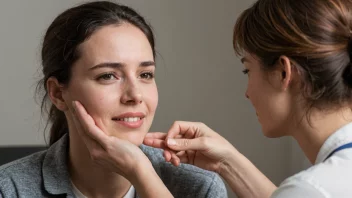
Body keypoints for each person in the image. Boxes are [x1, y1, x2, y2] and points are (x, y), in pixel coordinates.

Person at [0, 1, 227, 198]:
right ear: (58, 93)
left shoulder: (199, 187)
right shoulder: (9, 189)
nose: (135, 95)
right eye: (108, 76)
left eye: (145, 74)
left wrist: (142, 174)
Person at [144, 0, 352, 197]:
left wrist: (141, 172)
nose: (247, 93)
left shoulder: (313, 189)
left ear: (283, 73)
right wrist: (226, 161)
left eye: (247, 70)